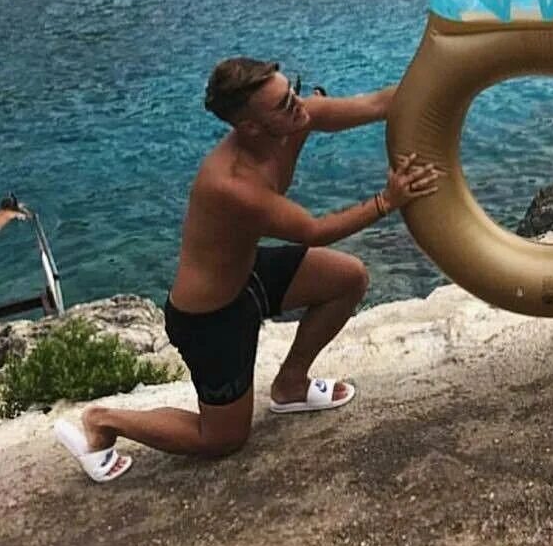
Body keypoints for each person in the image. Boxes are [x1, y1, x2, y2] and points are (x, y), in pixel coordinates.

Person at [54, 58, 441, 483]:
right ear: (251, 127)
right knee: (223, 439)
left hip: (249, 273)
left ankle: (291, 385)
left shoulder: (294, 118)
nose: (299, 104)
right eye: (284, 104)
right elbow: (314, 231)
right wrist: (386, 201)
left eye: (292, 90)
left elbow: (377, 103)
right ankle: (104, 422)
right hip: (209, 317)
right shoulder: (233, 184)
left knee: (348, 278)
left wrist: (451, 80)